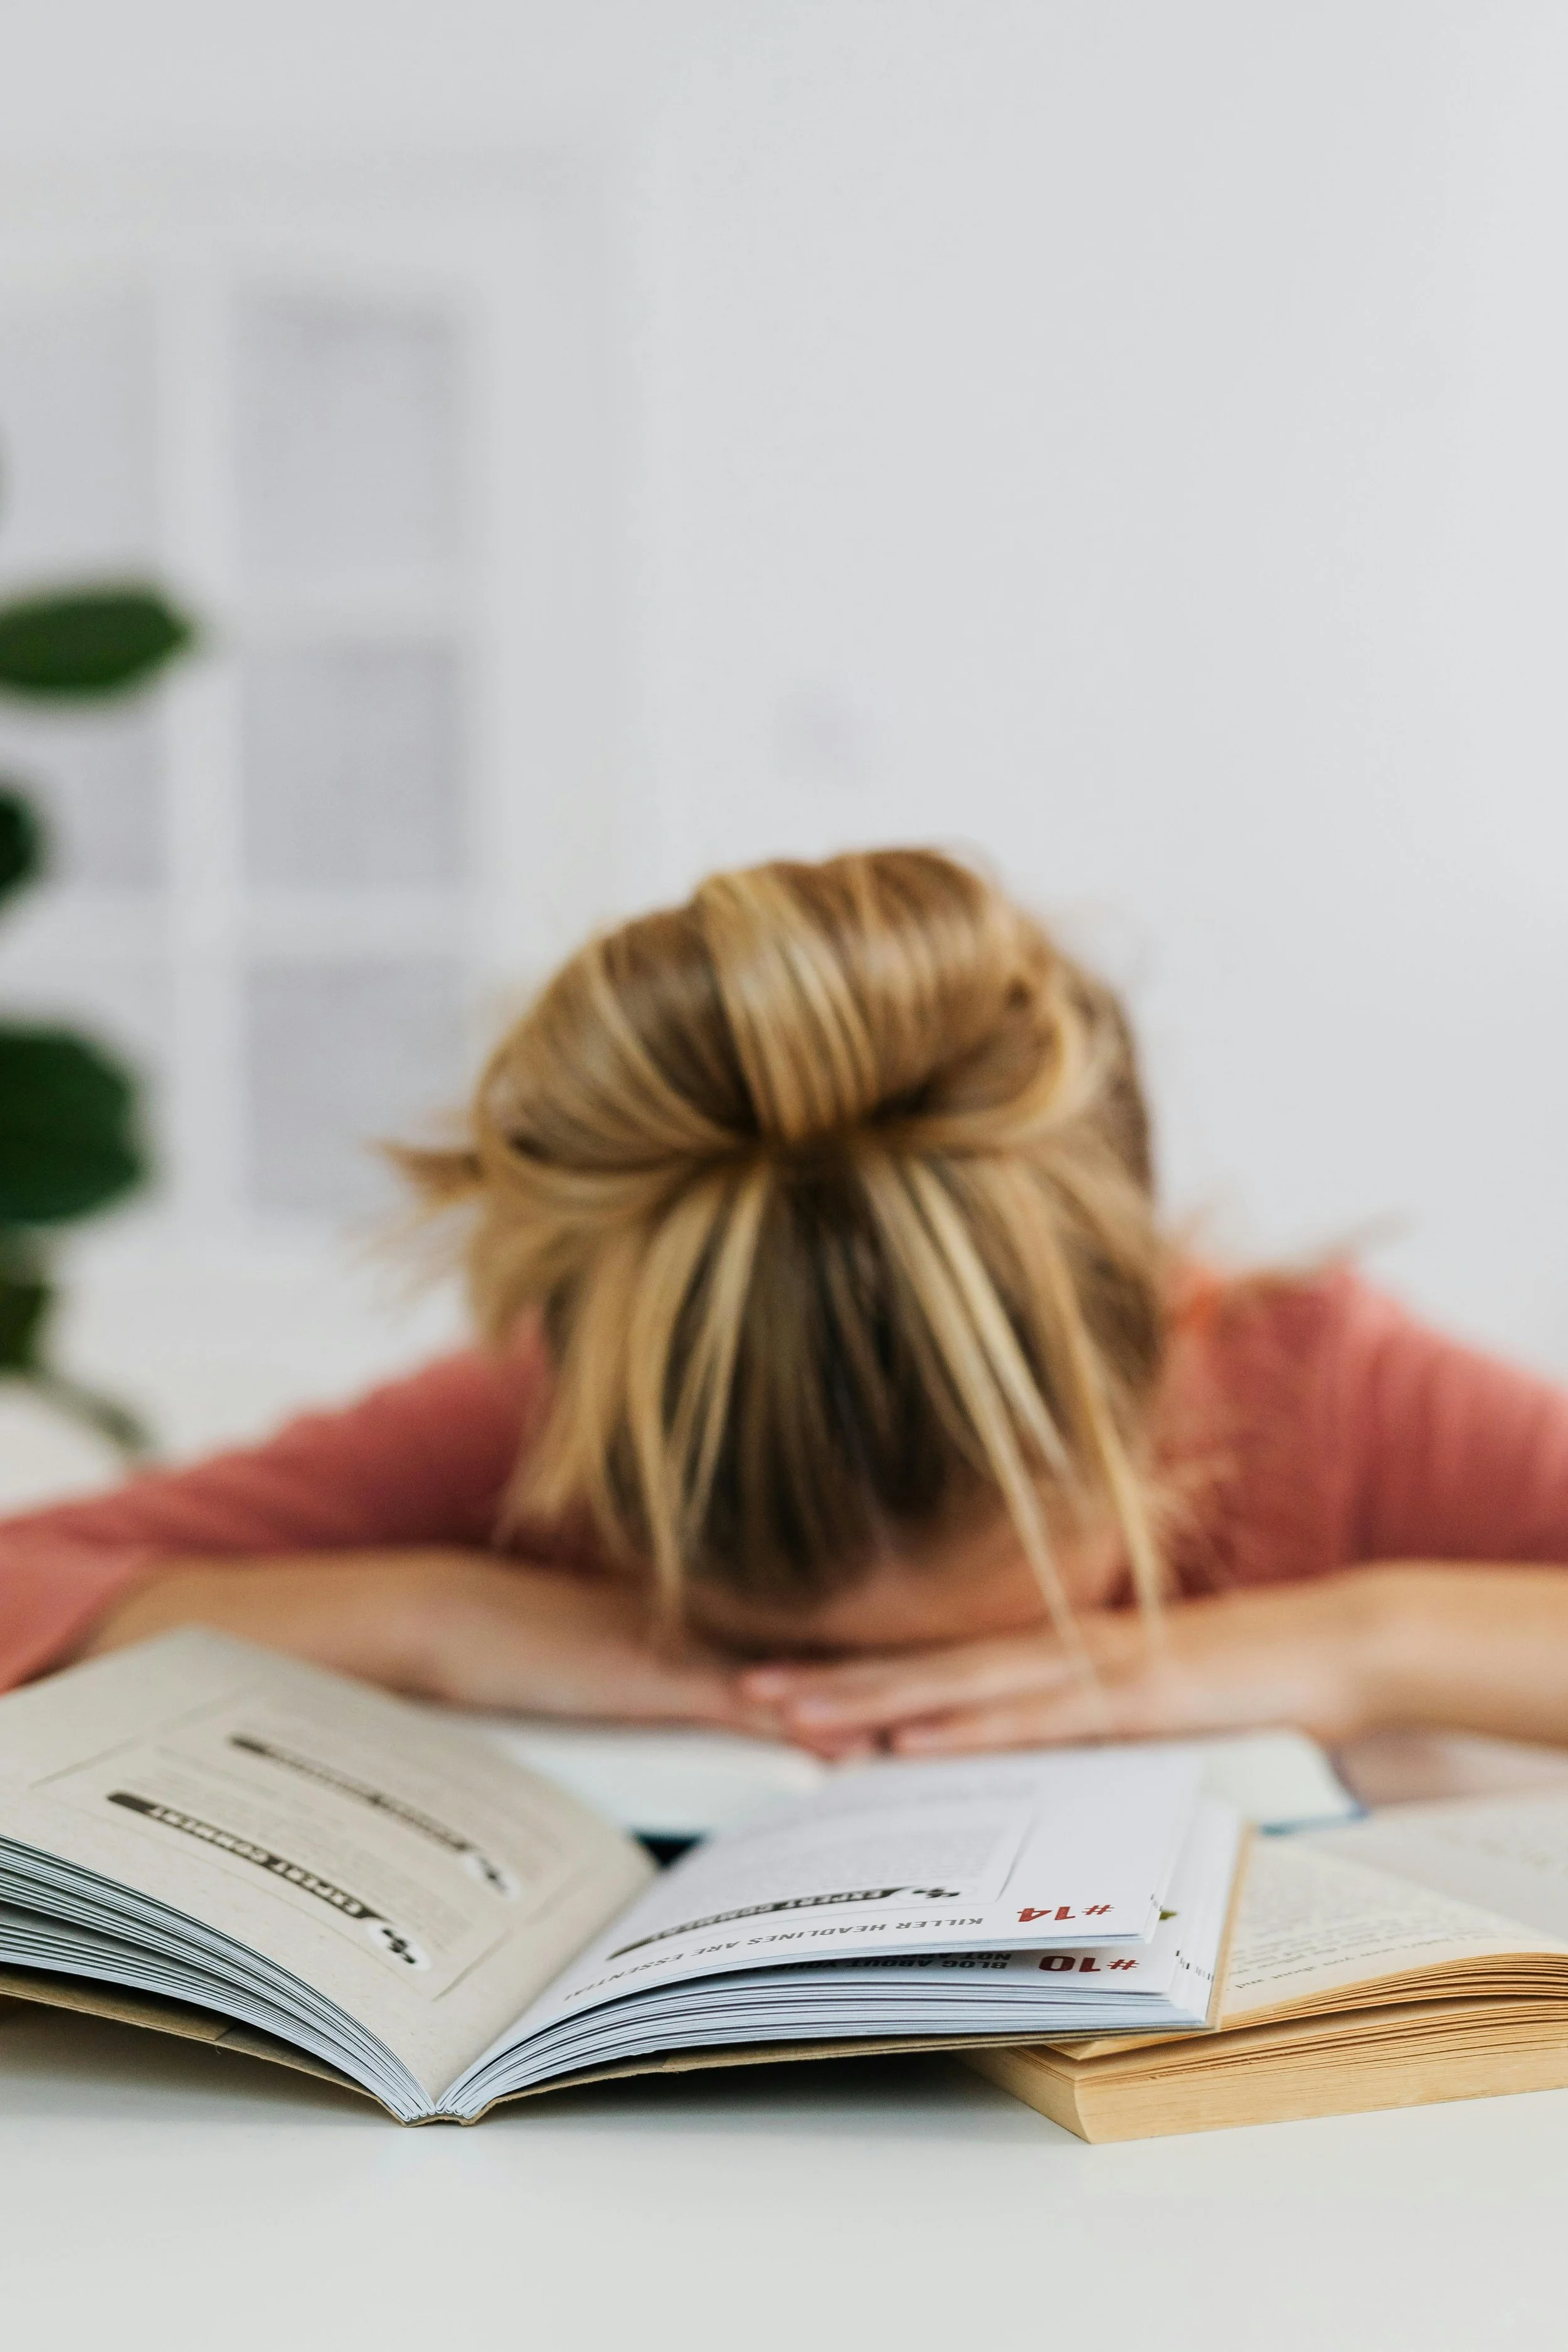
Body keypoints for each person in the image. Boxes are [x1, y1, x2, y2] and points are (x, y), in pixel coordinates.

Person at [6, 845, 1568, 1764]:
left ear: (1152, 1352)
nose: (875, 1738)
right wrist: (439, 1616)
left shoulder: (1319, 1395)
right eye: (775, 1668)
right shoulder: (562, 1409)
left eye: (1026, 1656)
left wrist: (1363, 1642)